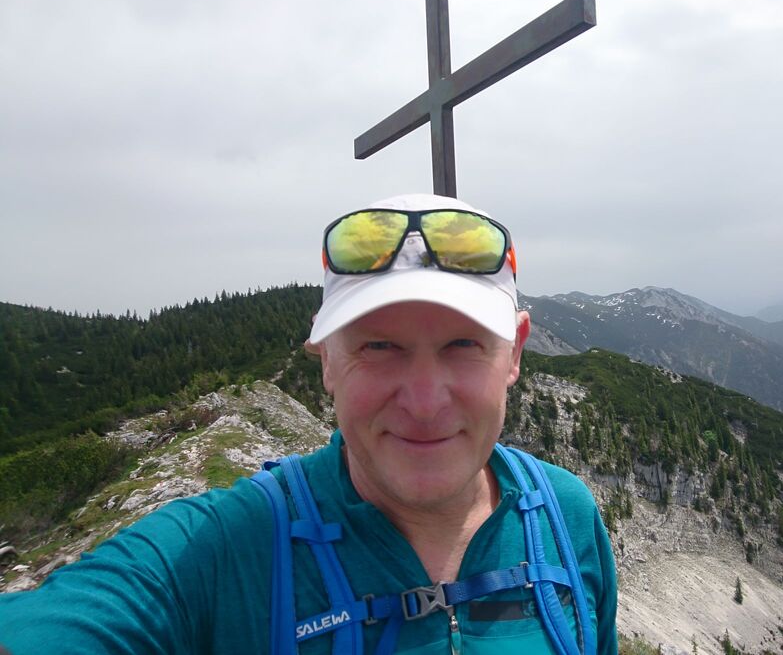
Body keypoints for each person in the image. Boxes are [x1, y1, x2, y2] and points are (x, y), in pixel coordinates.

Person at [0, 193, 618, 654]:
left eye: (463, 344)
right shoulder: (223, 551)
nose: (425, 402)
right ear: (326, 361)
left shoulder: (567, 516)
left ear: (514, 352)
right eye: (379, 347)